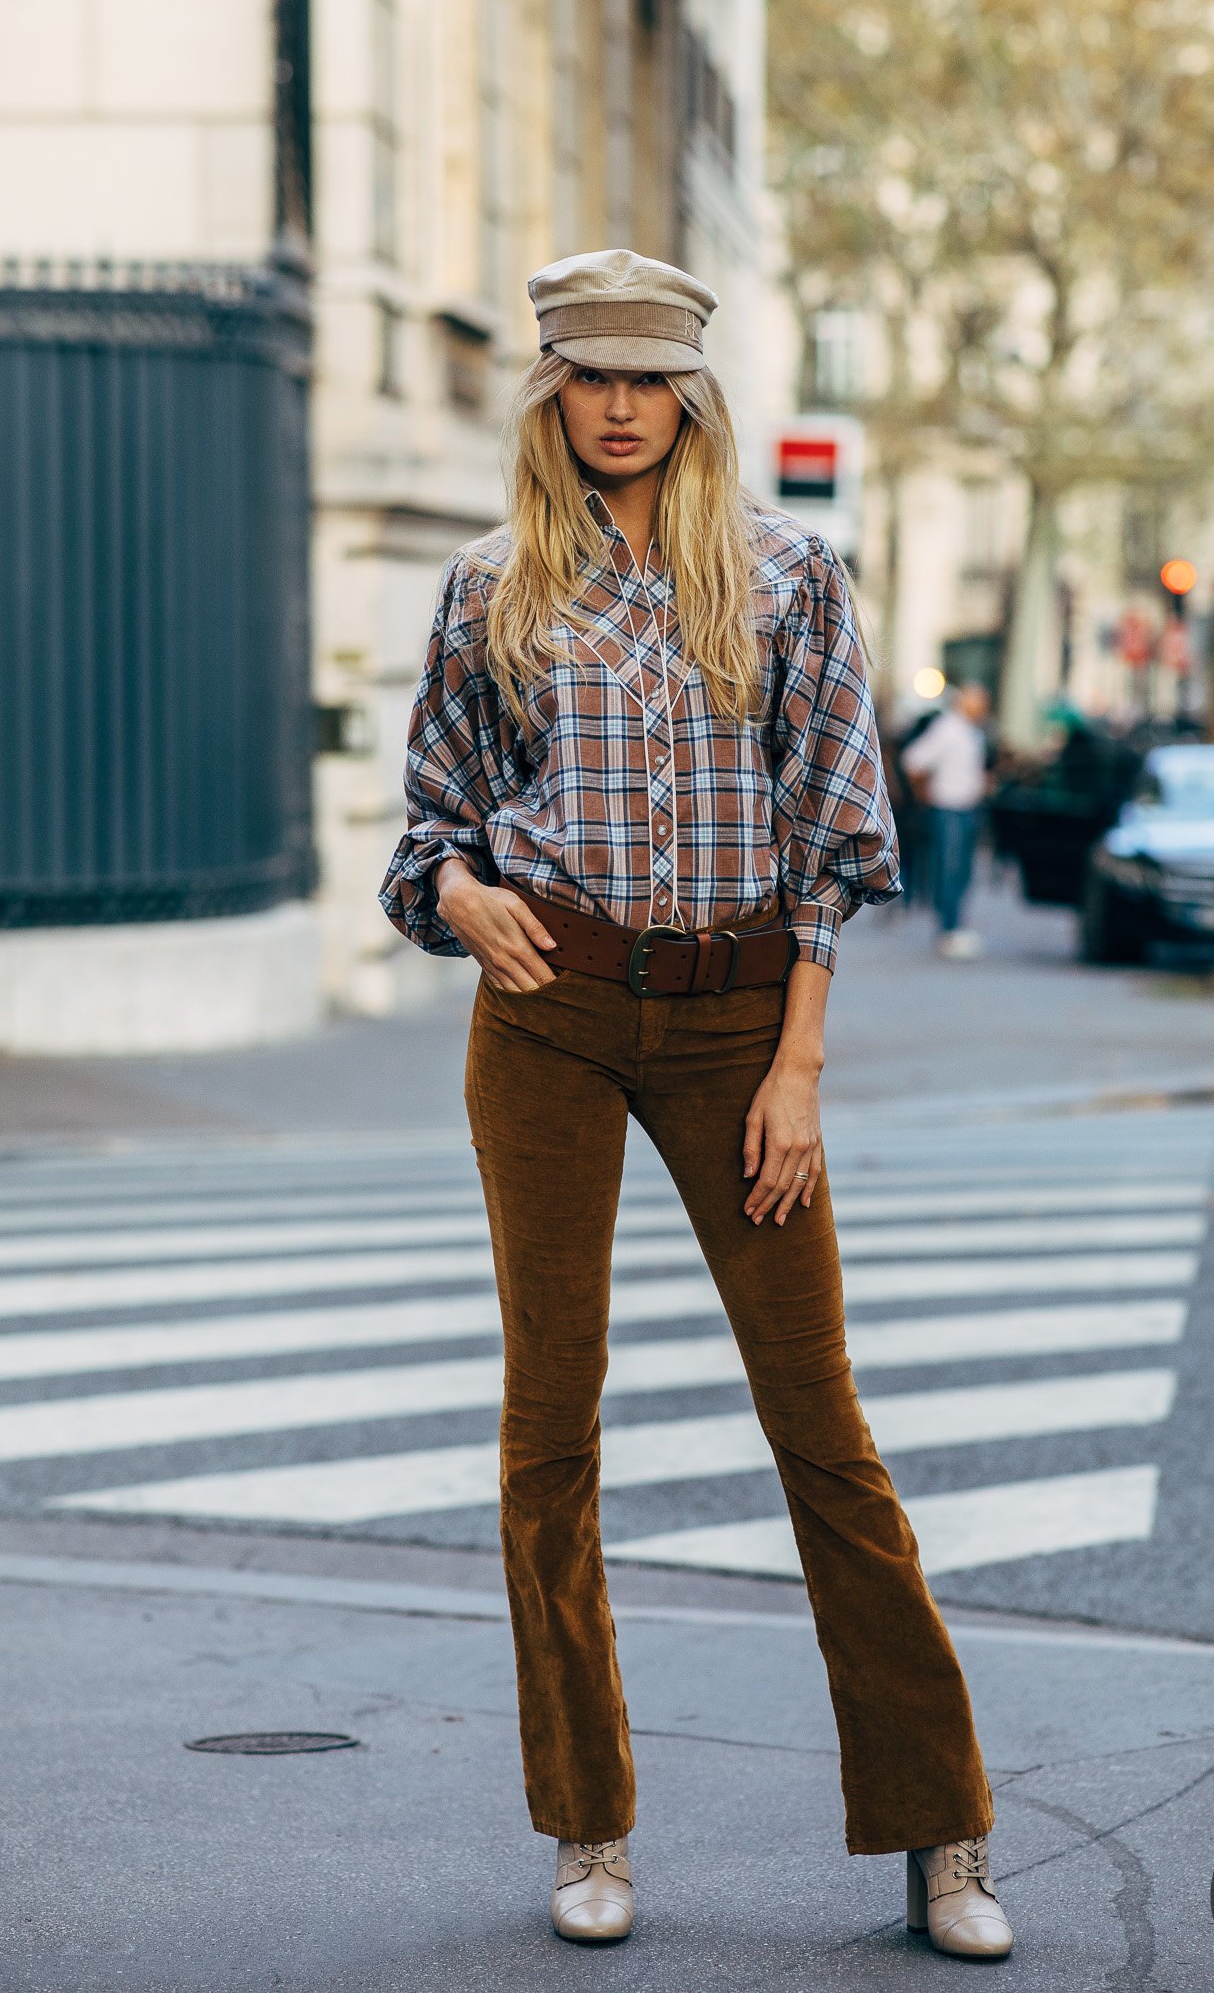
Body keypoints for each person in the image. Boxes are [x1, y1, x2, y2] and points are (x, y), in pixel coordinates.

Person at [379, 248, 1014, 1962]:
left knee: (823, 1432)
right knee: (552, 1435)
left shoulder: (796, 580)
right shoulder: (488, 585)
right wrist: (456, 896)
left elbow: (834, 847)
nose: (616, 403)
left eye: (648, 375)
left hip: (743, 1029)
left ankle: (941, 1831)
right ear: (551, 389)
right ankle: (589, 1821)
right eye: (588, 373)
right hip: (551, 1019)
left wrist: (799, 1067)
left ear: (693, 394)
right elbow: (429, 819)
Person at [899, 683, 991, 957]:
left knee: (961, 870)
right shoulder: (947, 728)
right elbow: (913, 760)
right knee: (949, 869)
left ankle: (954, 926)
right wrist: (923, 794)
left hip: (968, 807)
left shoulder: (973, 732)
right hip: (948, 808)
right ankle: (947, 929)